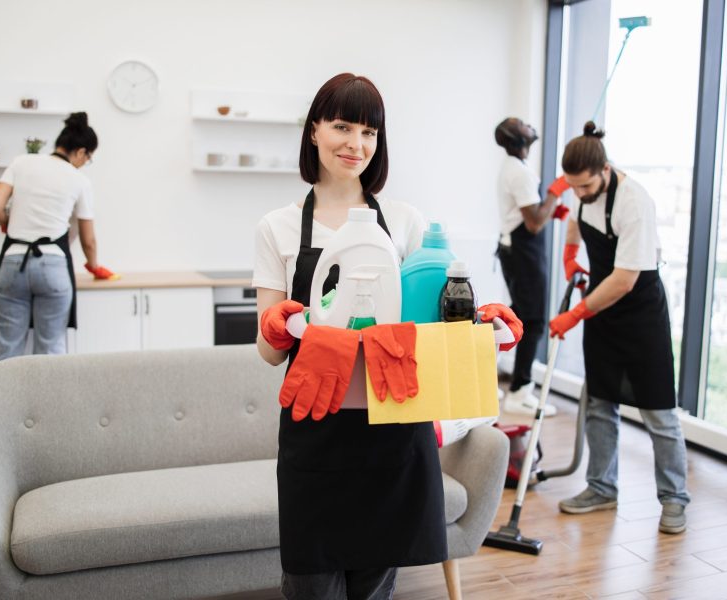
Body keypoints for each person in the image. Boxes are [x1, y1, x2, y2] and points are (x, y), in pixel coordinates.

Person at [254, 73, 522, 600]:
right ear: (313, 131)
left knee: (376, 585)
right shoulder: (278, 227)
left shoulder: (402, 221)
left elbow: (429, 321)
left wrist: (476, 323)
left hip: (393, 420)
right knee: (310, 583)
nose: (356, 144)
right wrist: (278, 326)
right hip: (317, 425)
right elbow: (267, 353)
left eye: (370, 132)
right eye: (342, 126)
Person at [550, 121, 690, 534]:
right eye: (571, 187)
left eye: (585, 186)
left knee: (659, 412)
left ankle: (674, 498)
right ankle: (601, 487)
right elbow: (575, 217)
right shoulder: (581, 188)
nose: (578, 193)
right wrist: (571, 253)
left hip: (640, 312)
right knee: (599, 402)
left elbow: (626, 279)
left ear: (605, 170)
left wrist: (576, 314)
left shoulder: (634, 202)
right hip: (603, 307)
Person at [0, 112, 116, 363]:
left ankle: (0, 403)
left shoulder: (21, 162)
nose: (84, 163)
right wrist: (94, 266)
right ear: (80, 152)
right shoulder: (79, 180)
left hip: (13, 263)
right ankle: (46, 404)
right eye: (87, 158)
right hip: (53, 267)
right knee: (50, 354)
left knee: (6, 352)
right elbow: (88, 240)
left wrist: (7, 223)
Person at [494, 117, 570, 416]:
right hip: (523, 250)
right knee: (534, 319)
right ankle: (519, 391)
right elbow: (534, 222)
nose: (528, 123)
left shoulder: (513, 167)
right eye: (521, 124)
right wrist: (555, 191)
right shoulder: (519, 173)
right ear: (518, 138)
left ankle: (512, 385)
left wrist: (551, 208)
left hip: (515, 247)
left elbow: (534, 214)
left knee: (520, 314)